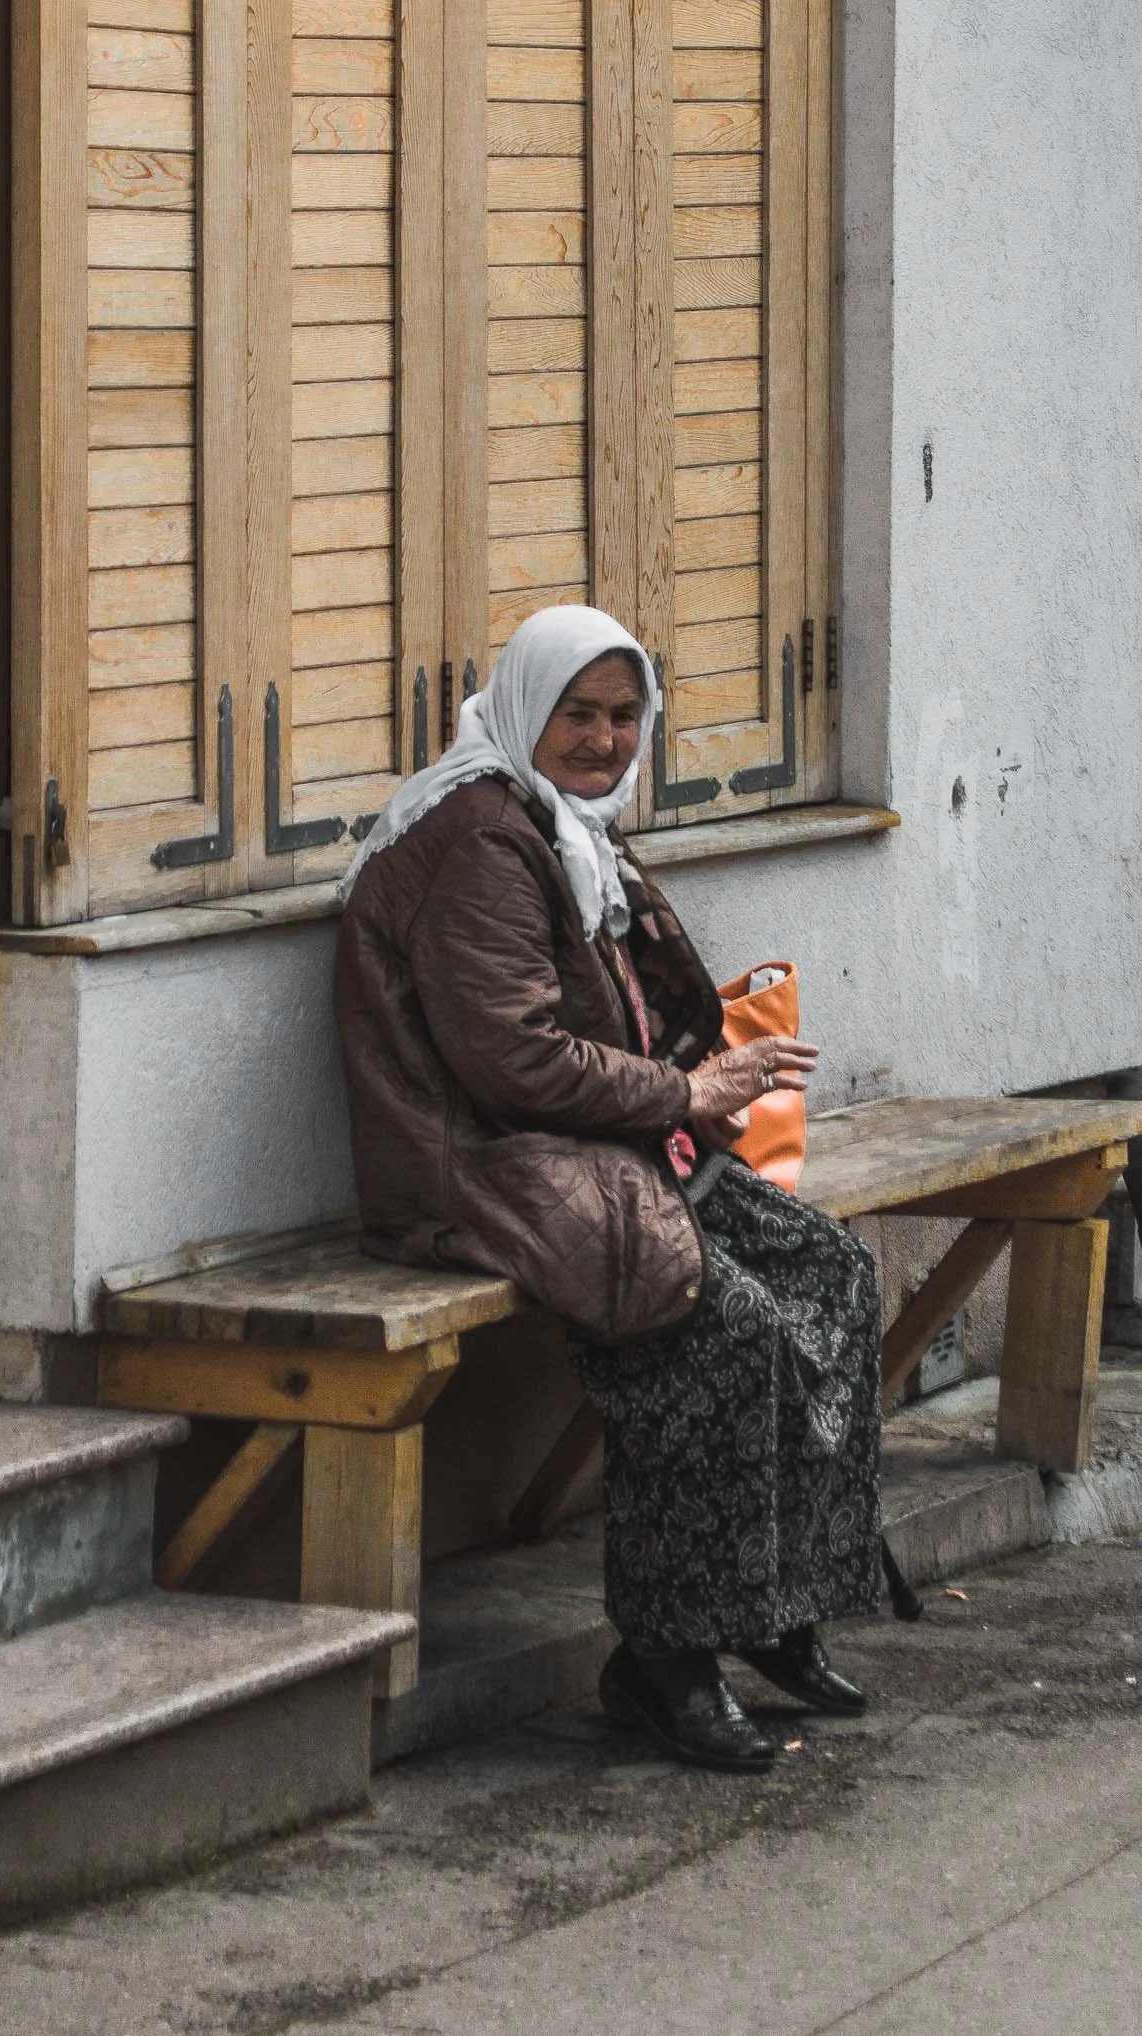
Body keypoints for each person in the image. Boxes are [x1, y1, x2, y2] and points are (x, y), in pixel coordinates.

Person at [332, 604, 883, 1773]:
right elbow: (510, 1061)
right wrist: (683, 1094)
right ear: (527, 705)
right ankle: (663, 1661)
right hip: (476, 1166)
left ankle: (776, 1612)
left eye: (624, 715)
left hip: (585, 1147)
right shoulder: (483, 837)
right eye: (578, 713)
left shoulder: (558, 822)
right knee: (715, 1327)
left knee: (826, 1271)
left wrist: (689, 1086)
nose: (602, 738)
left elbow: (603, 1020)